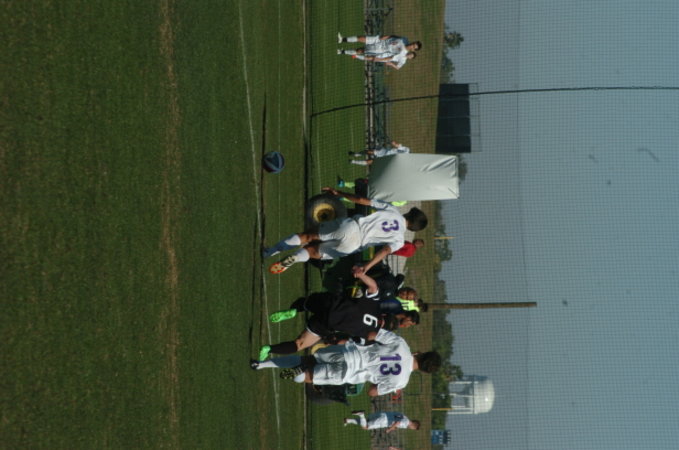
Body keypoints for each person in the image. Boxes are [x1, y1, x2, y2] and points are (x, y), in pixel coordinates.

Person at [257, 265, 415, 361]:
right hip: (329, 324)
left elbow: (373, 286)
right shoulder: (369, 338)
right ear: (383, 331)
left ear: (384, 315)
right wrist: (333, 341)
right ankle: (268, 349)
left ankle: (294, 310)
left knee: (306, 302)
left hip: (332, 303)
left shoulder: (376, 305)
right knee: (299, 344)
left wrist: (361, 275)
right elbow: (348, 341)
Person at [263, 188, 427, 274]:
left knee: (308, 236)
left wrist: (339, 193)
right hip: (354, 245)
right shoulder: (399, 240)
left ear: (409, 214)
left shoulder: (392, 210)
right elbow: (384, 251)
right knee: (313, 252)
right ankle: (294, 258)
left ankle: (270, 252)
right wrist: (366, 267)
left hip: (351, 226)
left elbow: (362, 200)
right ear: (412, 228)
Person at [250, 328, 441, 397]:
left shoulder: (402, 344)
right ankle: (299, 373)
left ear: (422, 353)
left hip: (350, 353)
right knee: (308, 376)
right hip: (350, 374)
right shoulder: (401, 382)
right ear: (424, 371)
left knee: (307, 359)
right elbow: (372, 391)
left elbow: (372, 334)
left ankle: (260, 364)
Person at [337, 33, 421, 70]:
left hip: (380, 50)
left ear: (413, 50)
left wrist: (378, 59)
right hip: (380, 40)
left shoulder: (402, 54)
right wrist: (386, 37)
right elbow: (394, 36)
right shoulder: (405, 39)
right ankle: (342, 39)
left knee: (360, 50)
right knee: (361, 38)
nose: (412, 45)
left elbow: (390, 58)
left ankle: (342, 52)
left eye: (414, 46)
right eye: (413, 43)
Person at [344, 410, 420, 432]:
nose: (412, 429)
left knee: (366, 421)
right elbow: (397, 422)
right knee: (366, 427)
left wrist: (393, 427)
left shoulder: (404, 416)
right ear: (414, 425)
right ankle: (361, 414)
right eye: (413, 428)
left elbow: (396, 422)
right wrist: (389, 429)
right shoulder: (406, 422)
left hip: (383, 414)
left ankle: (348, 420)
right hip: (383, 421)